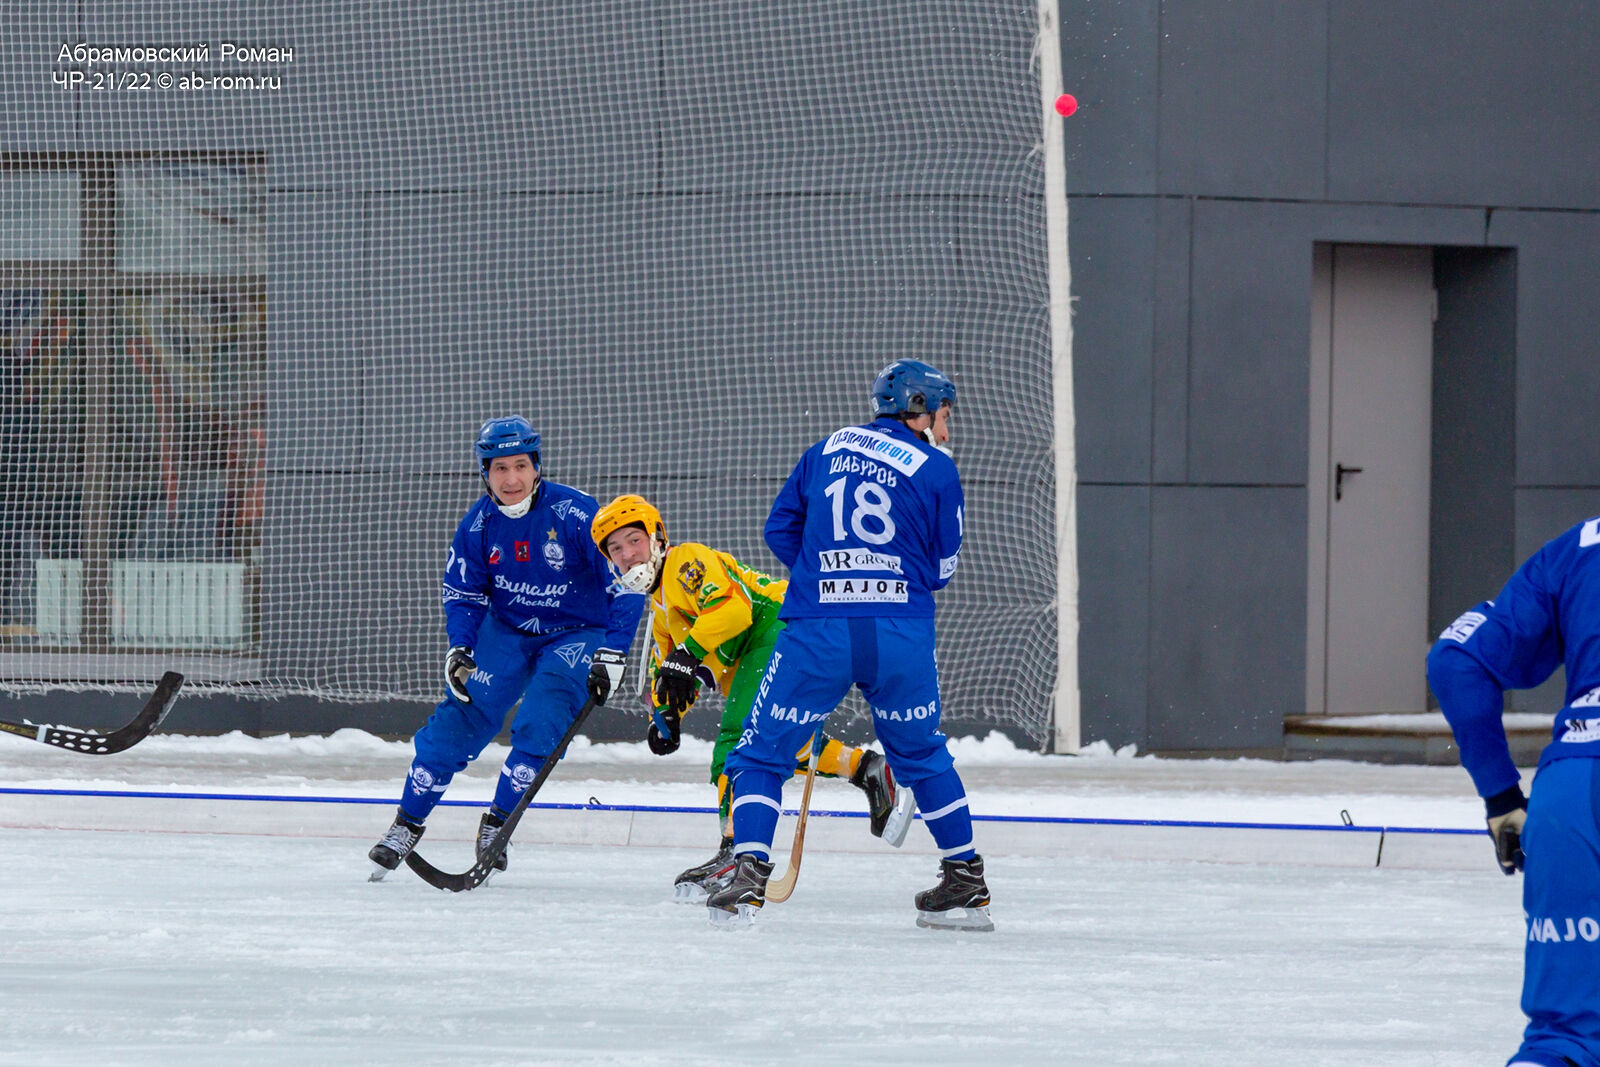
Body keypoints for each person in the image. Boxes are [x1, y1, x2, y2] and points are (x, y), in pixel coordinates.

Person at [708, 358, 989, 930]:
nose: (947, 426)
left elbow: (779, 529)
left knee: (761, 752)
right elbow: (941, 570)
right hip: (900, 633)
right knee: (922, 754)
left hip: (819, 629)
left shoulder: (825, 449)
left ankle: (748, 874)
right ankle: (965, 879)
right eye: (945, 414)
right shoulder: (938, 468)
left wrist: (825, 573)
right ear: (919, 411)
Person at [589, 494, 912, 900]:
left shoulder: (684, 561)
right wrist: (667, 717)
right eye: (615, 549)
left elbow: (733, 612)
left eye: (634, 540)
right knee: (773, 743)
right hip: (784, 637)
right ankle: (868, 768)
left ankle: (734, 851)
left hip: (781, 628)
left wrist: (687, 655)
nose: (627, 555)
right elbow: (669, 673)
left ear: (657, 538)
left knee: (739, 740)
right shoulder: (662, 609)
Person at [368, 416, 645, 881]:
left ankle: (497, 824)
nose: (511, 478)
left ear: (537, 466)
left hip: (578, 632)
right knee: (460, 717)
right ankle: (406, 824)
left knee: (542, 720)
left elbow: (629, 580)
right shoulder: (477, 526)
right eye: (499, 468)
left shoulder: (579, 514)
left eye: (520, 465)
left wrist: (614, 651)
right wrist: (461, 647)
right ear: (485, 472)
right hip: (508, 627)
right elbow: (464, 593)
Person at [1427, 516, 1600, 1067]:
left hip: (1572, 791)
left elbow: (1455, 659)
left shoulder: (1577, 548)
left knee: (1561, 1044)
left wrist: (1502, 798)